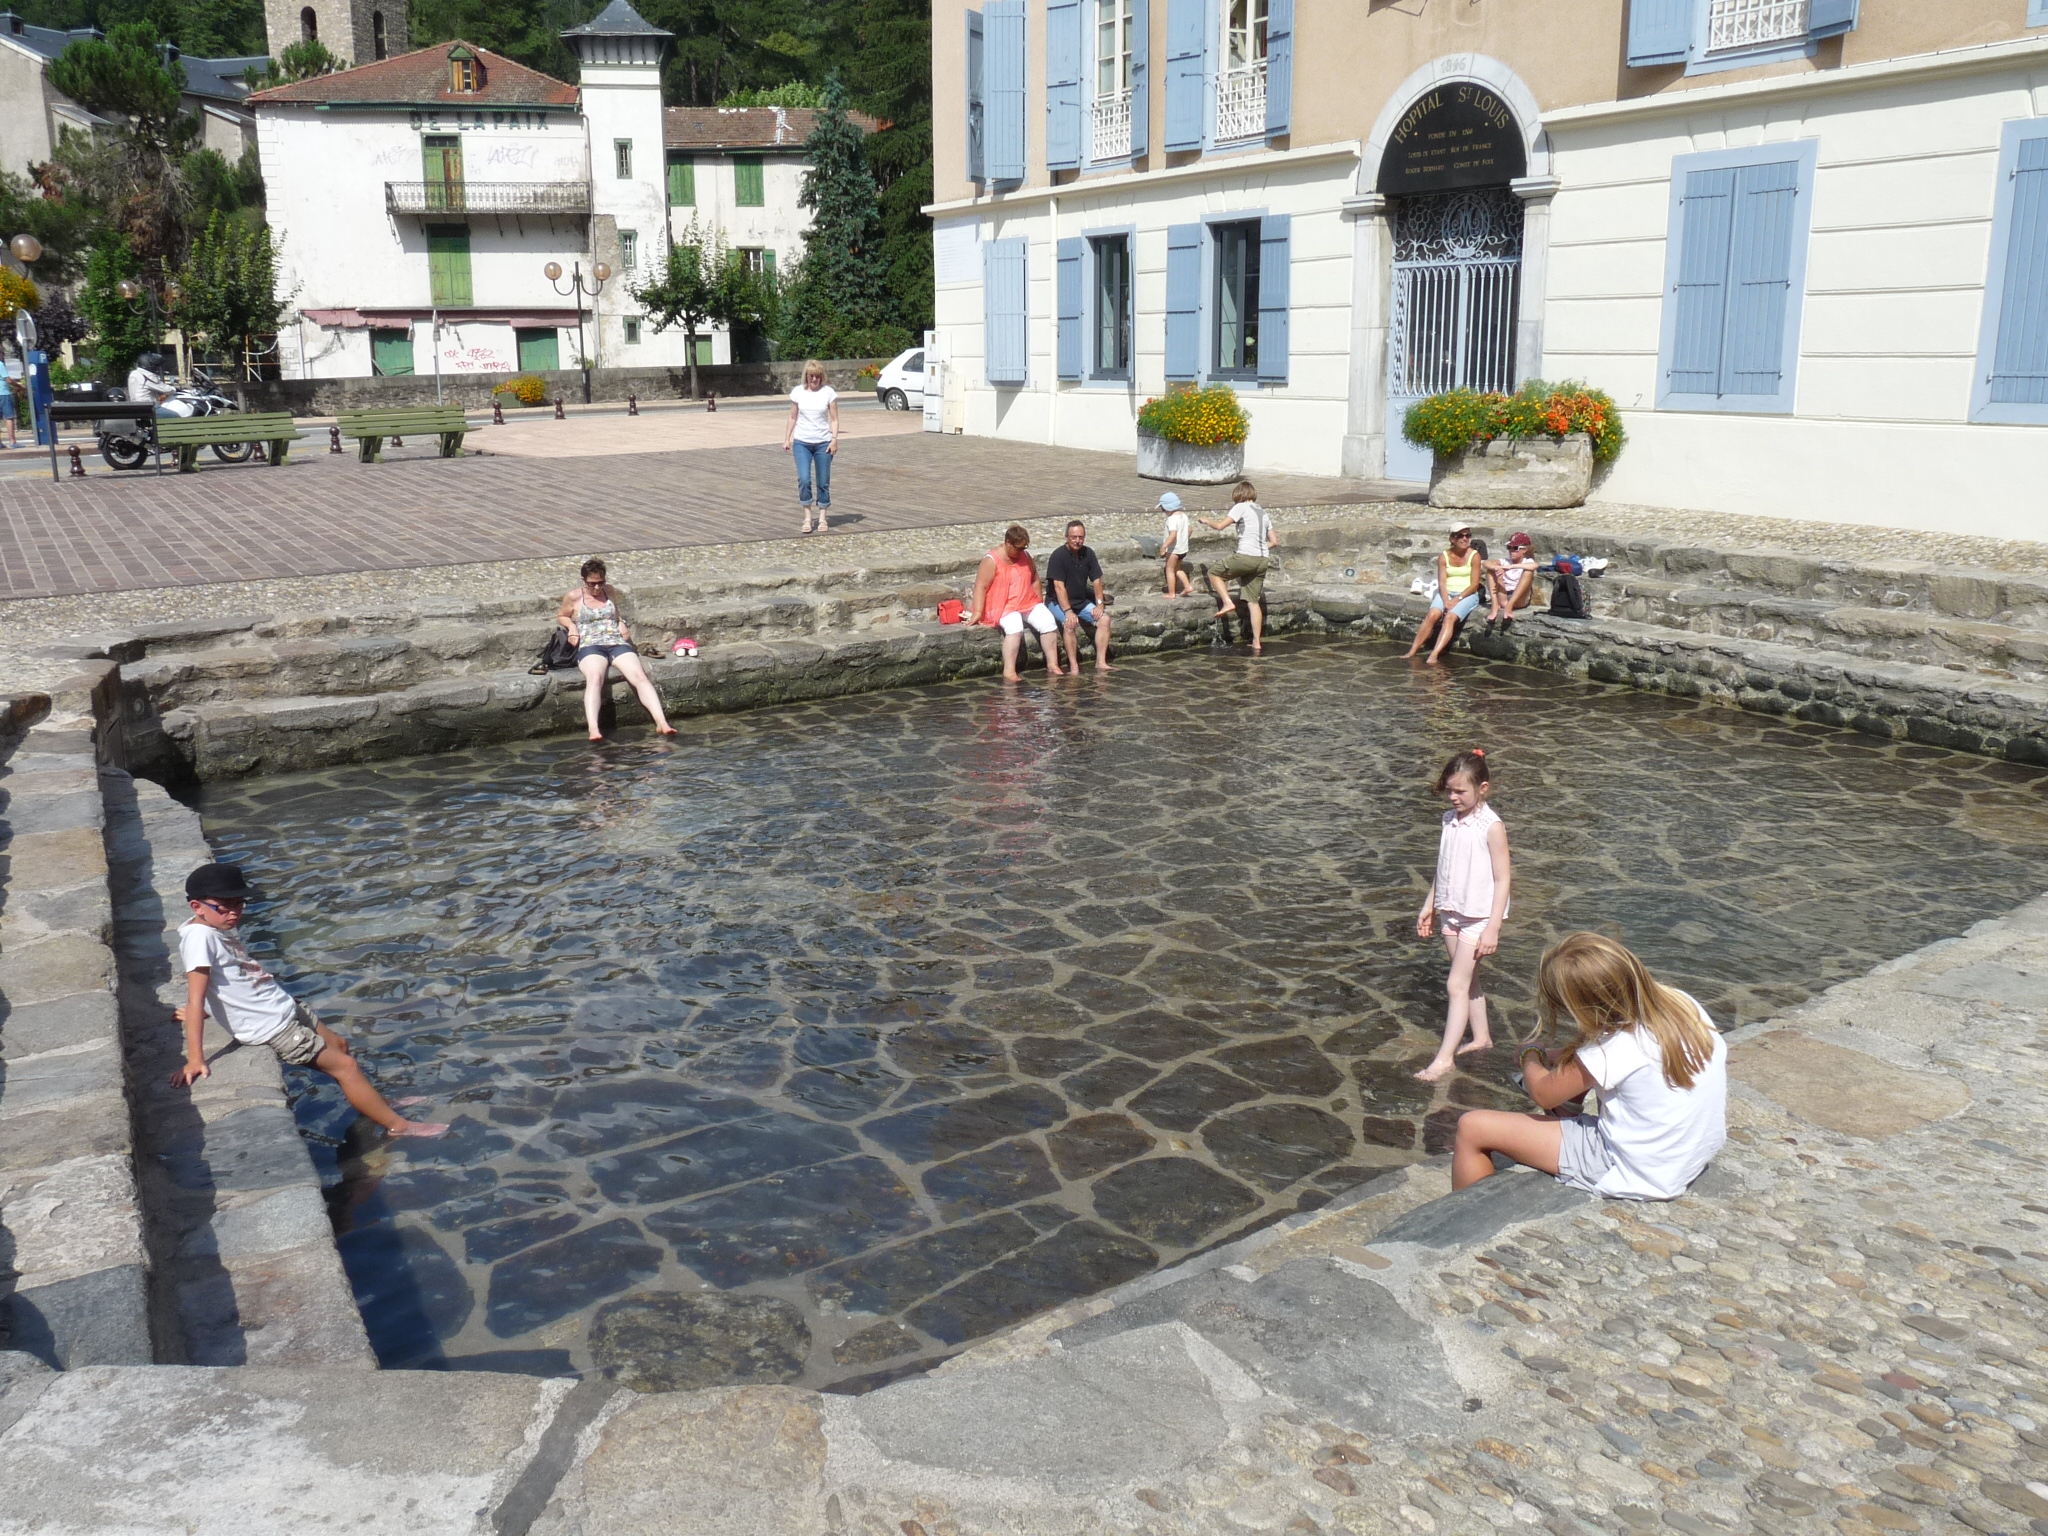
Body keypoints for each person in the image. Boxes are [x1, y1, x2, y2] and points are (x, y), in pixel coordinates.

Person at [171, 863, 448, 1138]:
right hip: (272, 1026)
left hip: (282, 1006)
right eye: (224, 907)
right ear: (197, 907)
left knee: (340, 1045)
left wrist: (211, 1009)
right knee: (346, 1067)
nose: (234, 912)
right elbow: (196, 994)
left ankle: (378, 1104)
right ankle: (399, 1127)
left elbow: (224, 981)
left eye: (239, 904)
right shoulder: (199, 938)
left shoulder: (213, 928)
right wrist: (195, 1058)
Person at [1450, 932, 1728, 1197]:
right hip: (1685, 1156)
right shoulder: (1680, 1003)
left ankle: (1461, 1220)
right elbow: (1607, 1055)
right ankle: (1566, 1111)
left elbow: (1542, 1092)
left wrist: (1530, 1054)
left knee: (1472, 1127)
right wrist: (1559, 1055)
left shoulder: (1613, 1049)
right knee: (1582, 1057)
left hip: (1633, 1169)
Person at [1415, 747, 1512, 1083]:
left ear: (1482, 788)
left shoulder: (1491, 826)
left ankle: (1444, 1059)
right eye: (1449, 791)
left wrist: (1493, 928)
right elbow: (1444, 867)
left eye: (1460, 791)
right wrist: (1429, 904)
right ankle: (1482, 1037)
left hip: (1478, 916)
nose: (1453, 797)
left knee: (1455, 984)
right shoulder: (1448, 820)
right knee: (1469, 980)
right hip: (1451, 910)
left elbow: (1503, 879)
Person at [555, 557, 679, 742]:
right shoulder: (574, 597)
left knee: (639, 676)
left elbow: (616, 612)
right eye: (592, 584)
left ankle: (662, 722)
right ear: (584, 581)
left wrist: (621, 622)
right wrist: (572, 627)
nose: (597, 587)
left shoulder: (609, 591)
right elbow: (562, 616)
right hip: (590, 644)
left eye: (600, 582)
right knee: (595, 677)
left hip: (616, 642)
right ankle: (594, 728)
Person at [963, 524, 1062, 681]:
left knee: (1048, 621)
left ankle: (1052, 664)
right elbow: (981, 586)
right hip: (1001, 605)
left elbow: (1035, 579)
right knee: (1015, 626)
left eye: (1024, 548)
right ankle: (1009, 671)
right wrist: (978, 612)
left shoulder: (1026, 557)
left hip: (1026, 600)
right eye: (1018, 548)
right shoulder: (992, 560)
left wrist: (1039, 602)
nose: (1021, 551)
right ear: (1008, 543)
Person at [1200, 480, 1279, 652]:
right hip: (1262, 559)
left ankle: (1227, 602)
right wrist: (1260, 547)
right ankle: (1257, 642)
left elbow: (1220, 526)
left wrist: (1206, 521)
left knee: (1214, 573)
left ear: (1239, 495)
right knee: (1253, 602)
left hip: (1246, 556)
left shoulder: (1241, 507)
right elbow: (1274, 541)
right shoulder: (1263, 512)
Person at [1404, 524, 1485, 665]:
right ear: (1452, 538)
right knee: (1433, 615)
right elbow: (1442, 582)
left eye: (1467, 535)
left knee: (1450, 617)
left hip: (1467, 594)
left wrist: (1456, 599)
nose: (1465, 539)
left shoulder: (1474, 556)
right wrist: (1446, 600)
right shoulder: (1444, 556)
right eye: (1460, 536)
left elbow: (1474, 584)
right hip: (1447, 592)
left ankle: (1434, 654)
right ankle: (1413, 650)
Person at [1045, 519, 1114, 674]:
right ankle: (1074, 666)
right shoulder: (1058, 556)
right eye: (1074, 537)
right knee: (1069, 624)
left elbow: (1096, 580)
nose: (1077, 541)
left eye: (1080, 537)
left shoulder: (1088, 553)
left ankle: (1101, 662)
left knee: (1104, 620)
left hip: (1080, 601)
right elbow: (1059, 587)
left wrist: (1099, 604)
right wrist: (1068, 611)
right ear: (1067, 537)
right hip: (1057, 602)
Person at [782, 359, 839, 534]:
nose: (814, 379)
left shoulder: (828, 393)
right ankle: (807, 516)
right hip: (802, 442)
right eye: (811, 376)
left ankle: (822, 517)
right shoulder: (798, 392)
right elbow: (792, 417)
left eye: (817, 376)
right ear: (806, 376)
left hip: (823, 443)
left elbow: (834, 419)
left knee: (823, 481)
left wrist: (834, 439)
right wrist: (787, 438)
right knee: (804, 479)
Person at [1486, 532, 1539, 628]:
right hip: (1504, 596)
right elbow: (1486, 562)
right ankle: (1495, 604)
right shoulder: (1505, 561)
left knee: (1528, 572)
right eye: (1509, 547)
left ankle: (1509, 606)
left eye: (1515, 548)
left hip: (1519, 598)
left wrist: (1510, 567)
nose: (1511, 551)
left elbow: (1535, 566)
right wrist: (1496, 568)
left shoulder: (1527, 562)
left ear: (1524, 550)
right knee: (1491, 570)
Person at [126, 351, 191, 418]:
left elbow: (146, 388)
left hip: (137, 406)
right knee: (176, 416)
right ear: (149, 365)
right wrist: (175, 389)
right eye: (155, 366)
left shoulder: (134, 373)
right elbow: (165, 389)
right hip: (148, 407)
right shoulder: (146, 375)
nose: (156, 368)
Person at [1157, 491, 1194, 597]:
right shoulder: (1184, 516)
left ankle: (1171, 593)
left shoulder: (1172, 519)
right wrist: (1184, 539)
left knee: (1169, 570)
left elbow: (1173, 535)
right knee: (1177, 569)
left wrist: (1164, 546)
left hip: (1174, 550)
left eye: (1163, 509)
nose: (1164, 511)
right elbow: (1190, 530)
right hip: (1183, 549)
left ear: (1168, 508)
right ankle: (1188, 586)